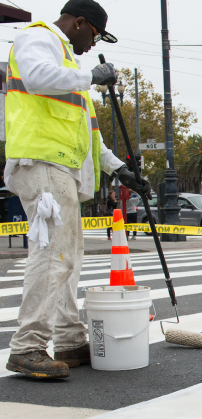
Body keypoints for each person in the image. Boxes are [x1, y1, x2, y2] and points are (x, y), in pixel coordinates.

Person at [4, 0, 152, 380]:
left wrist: (120, 169)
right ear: (81, 23)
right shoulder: (38, 38)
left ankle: (69, 340)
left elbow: (89, 134)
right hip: (40, 161)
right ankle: (27, 347)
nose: (92, 45)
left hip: (61, 167)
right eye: (95, 36)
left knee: (67, 256)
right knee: (54, 253)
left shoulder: (68, 67)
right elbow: (37, 77)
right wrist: (90, 77)